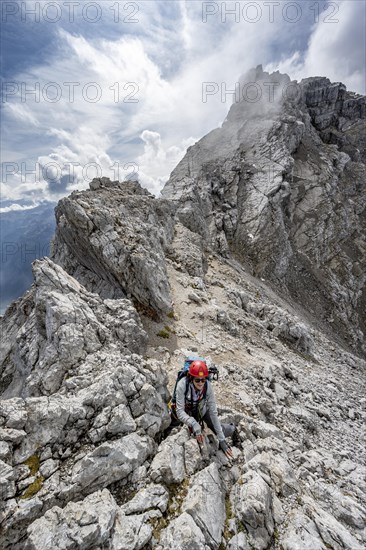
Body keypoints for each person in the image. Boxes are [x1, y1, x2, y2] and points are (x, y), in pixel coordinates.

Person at [173, 360, 235, 459]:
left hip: (201, 410)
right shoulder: (182, 384)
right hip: (185, 410)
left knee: (221, 430)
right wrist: (193, 423)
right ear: (191, 378)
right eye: (197, 380)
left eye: (203, 380)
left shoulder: (208, 386)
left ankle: (232, 428)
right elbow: (179, 411)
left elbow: (213, 412)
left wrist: (222, 439)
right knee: (172, 427)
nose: (200, 383)